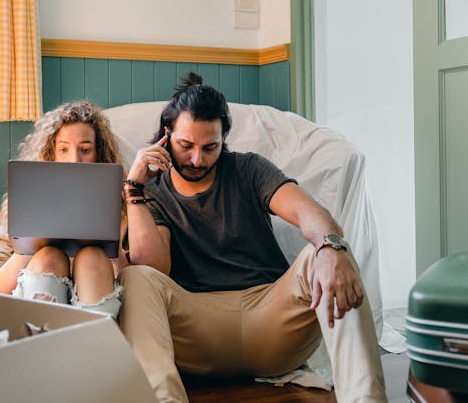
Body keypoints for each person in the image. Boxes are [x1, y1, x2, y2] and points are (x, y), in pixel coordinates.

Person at [119, 73, 387, 402]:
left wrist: (331, 247)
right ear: (166, 136)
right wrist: (134, 189)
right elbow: (154, 267)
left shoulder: (249, 169)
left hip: (271, 321)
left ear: (224, 140)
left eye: (210, 147)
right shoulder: (154, 192)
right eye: (186, 146)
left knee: (329, 253)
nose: (197, 160)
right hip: (196, 333)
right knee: (135, 277)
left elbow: (307, 212)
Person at [0, 100, 127, 318]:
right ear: (50, 153)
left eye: (85, 150)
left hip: (98, 293)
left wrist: (109, 239)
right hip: (37, 293)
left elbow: (129, 281)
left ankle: (92, 347)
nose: (74, 161)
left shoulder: (122, 205)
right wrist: (31, 243)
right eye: (63, 149)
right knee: (48, 256)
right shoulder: (27, 199)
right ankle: (45, 345)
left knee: (92, 257)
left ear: (99, 154)